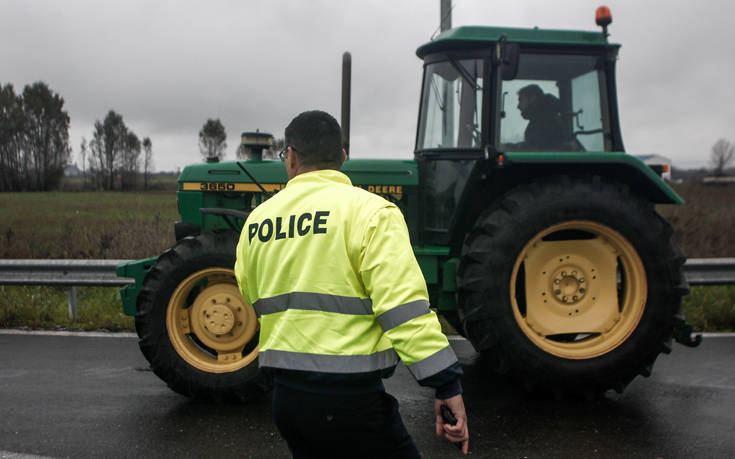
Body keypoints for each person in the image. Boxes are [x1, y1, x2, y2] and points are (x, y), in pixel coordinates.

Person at [234, 110, 469, 458]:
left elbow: (251, 292)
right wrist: (445, 382)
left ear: (291, 155)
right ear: (342, 158)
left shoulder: (258, 220)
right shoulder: (372, 213)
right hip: (351, 403)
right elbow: (403, 310)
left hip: (287, 402)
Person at [516, 83, 568, 151]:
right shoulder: (541, 119)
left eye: (521, 100)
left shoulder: (547, 121)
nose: (518, 106)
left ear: (532, 98)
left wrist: (511, 147)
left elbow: (537, 148)